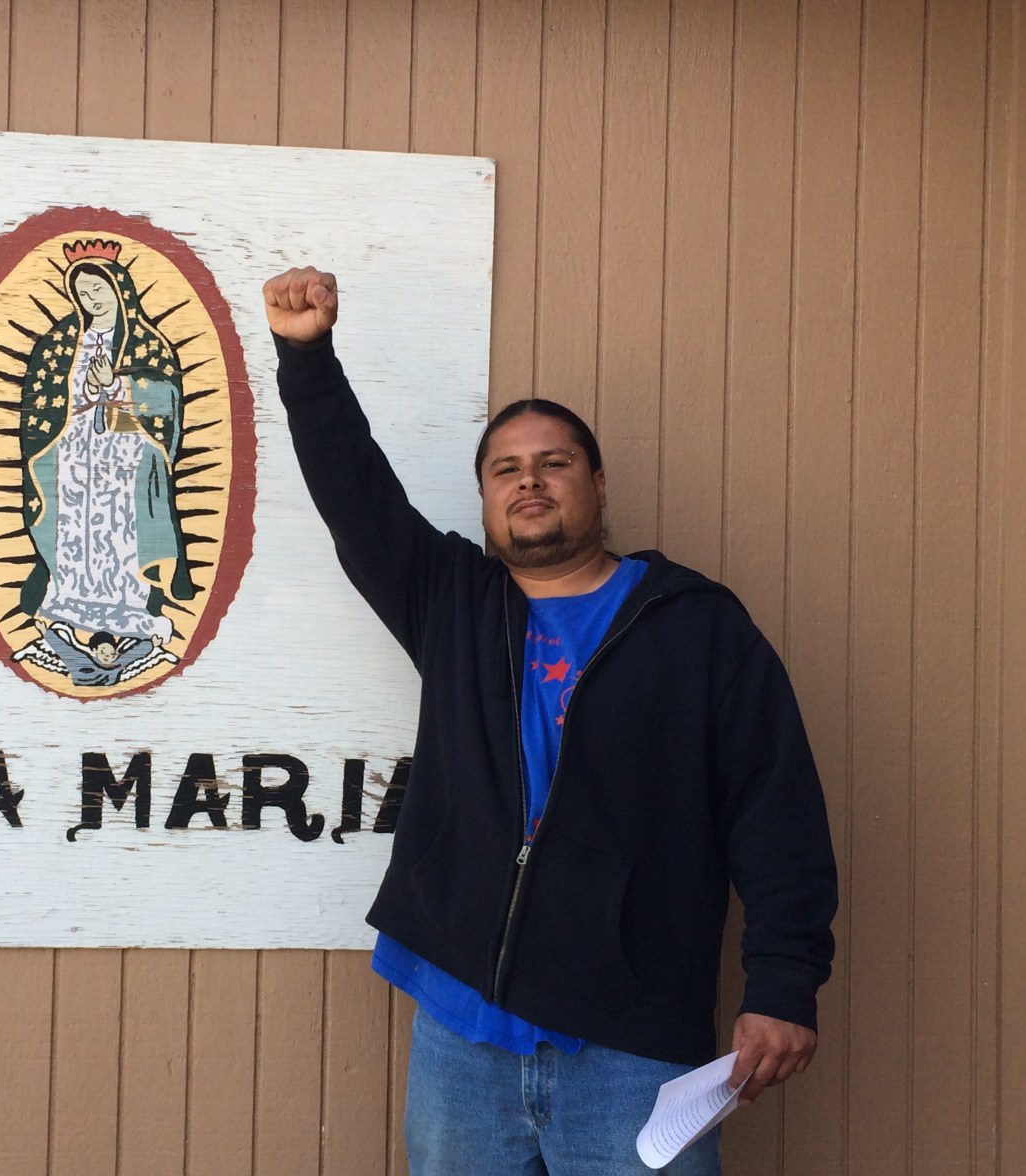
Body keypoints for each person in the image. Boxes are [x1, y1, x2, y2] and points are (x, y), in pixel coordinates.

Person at [263, 267, 838, 1175]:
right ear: (486, 500)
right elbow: (354, 492)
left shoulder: (696, 626)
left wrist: (784, 984)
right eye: (505, 469)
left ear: (598, 485)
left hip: (632, 1050)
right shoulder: (451, 602)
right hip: (461, 1037)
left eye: (554, 462)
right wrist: (306, 357)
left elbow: (777, 812)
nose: (528, 480)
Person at [15, 239, 195, 667]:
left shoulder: (147, 343)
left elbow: (168, 399)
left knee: (120, 532)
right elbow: (41, 399)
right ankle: (66, 603)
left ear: (119, 290)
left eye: (98, 289)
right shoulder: (61, 342)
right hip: (75, 452)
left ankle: (131, 611)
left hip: (125, 454)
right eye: (82, 292)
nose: (91, 299)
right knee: (74, 529)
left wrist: (117, 385)